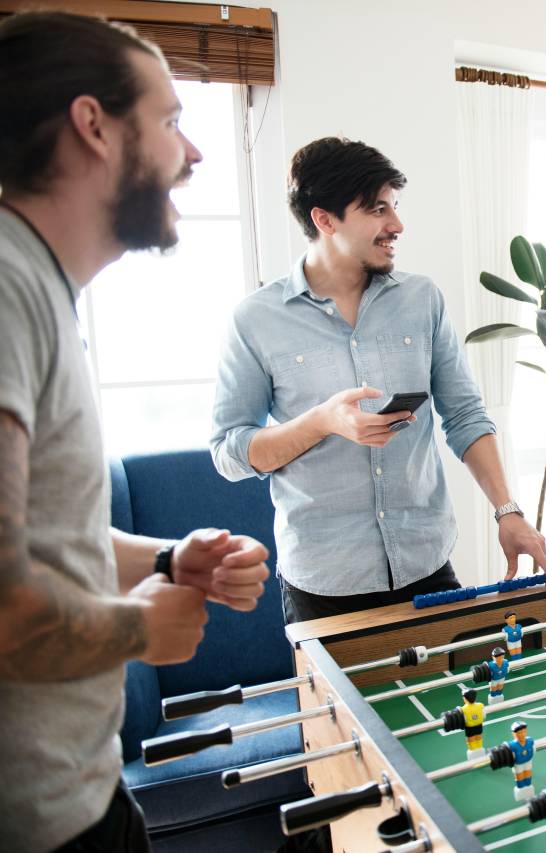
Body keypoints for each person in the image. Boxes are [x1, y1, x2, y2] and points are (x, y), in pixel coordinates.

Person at [0, 11, 271, 852]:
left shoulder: (40, 289)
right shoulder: (7, 286)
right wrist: (138, 628)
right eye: (171, 120)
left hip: (81, 794)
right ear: (94, 126)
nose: (192, 155)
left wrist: (162, 559)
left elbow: (48, 535)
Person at [210, 136, 546, 622]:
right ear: (324, 219)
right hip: (324, 585)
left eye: (394, 207)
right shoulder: (255, 320)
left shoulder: (422, 300)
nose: (396, 225)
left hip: (427, 566)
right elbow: (229, 452)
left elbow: (464, 415)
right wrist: (320, 422)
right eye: (377, 210)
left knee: (458, 701)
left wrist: (508, 511)